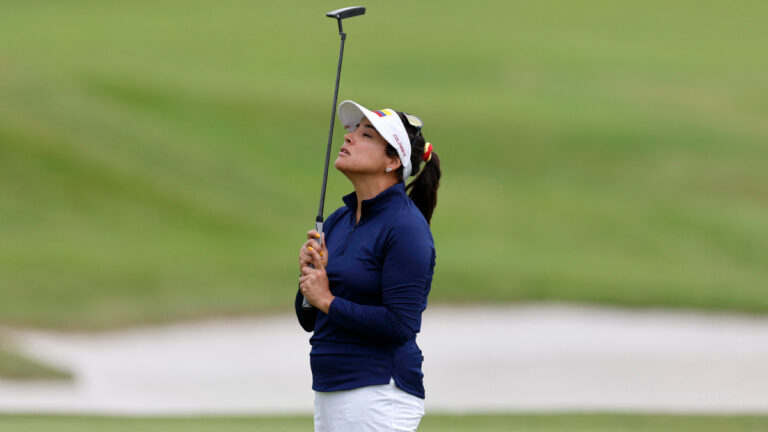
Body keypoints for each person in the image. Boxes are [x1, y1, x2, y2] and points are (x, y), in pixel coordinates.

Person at [295, 100, 441, 432]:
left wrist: (327, 300)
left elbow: (401, 324)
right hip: (331, 390)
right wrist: (309, 280)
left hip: (379, 392)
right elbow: (309, 318)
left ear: (393, 161)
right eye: (352, 131)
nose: (348, 138)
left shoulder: (405, 227)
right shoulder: (337, 221)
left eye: (366, 135)